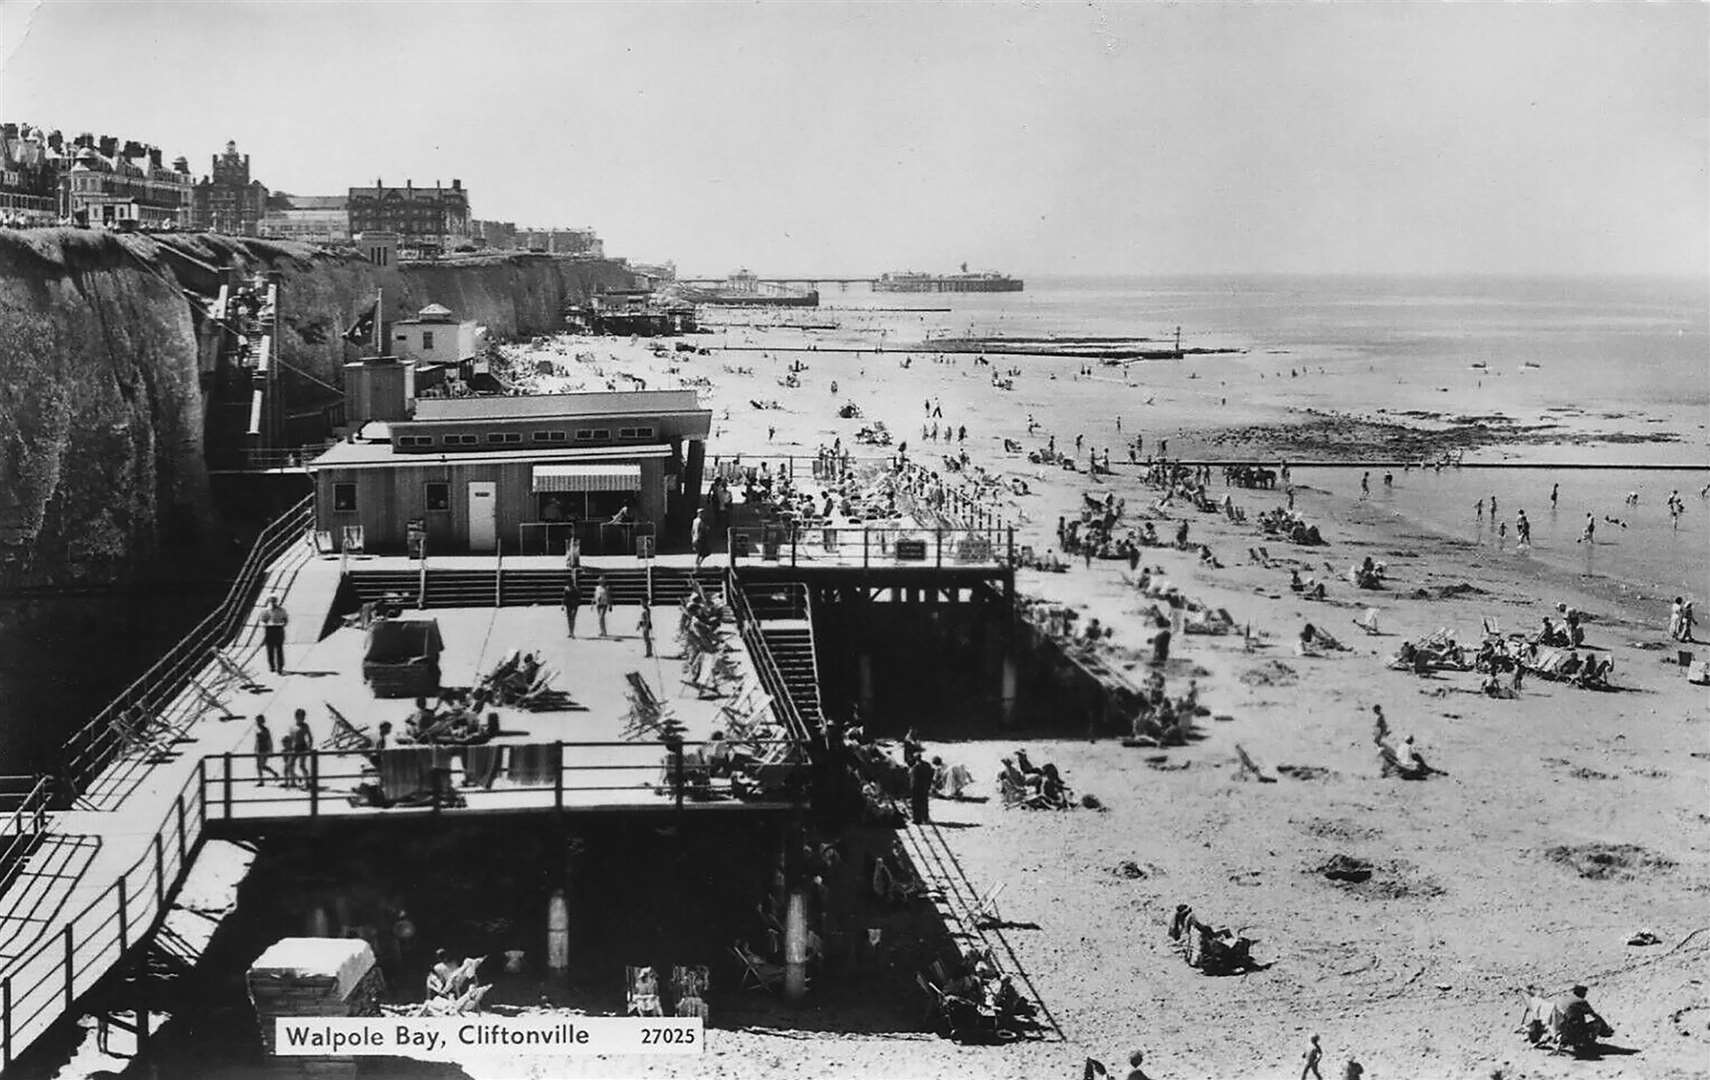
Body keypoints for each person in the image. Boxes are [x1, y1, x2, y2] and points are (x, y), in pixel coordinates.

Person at [260, 594, 289, 674]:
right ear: (269, 601)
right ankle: (272, 666)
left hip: (278, 629)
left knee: (279, 649)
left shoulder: (281, 610)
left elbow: (286, 619)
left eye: (274, 600)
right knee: (270, 649)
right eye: (271, 600)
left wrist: (283, 623)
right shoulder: (265, 610)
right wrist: (265, 624)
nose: (273, 602)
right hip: (269, 630)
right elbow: (262, 620)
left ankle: (280, 667)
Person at [253, 715, 279, 785]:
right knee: (261, 766)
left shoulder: (265, 730)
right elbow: (257, 741)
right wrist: (255, 748)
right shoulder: (257, 729)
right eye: (257, 720)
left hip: (264, 749)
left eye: (259, 720)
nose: (258, 722)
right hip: (259, 750)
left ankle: (261, 781)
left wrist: (271, 750)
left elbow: (269, 740)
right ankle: (273, 773)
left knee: (260, 766)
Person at [909, 753, 934, 825]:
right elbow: (931, 774)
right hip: (925, 787)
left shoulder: (915, 767)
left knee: (916, 804)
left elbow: (913, 780)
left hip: (916, 788)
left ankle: (917, 819)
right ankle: (925, 818)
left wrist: (911, 789)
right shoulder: (927, 765)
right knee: (924, 803)